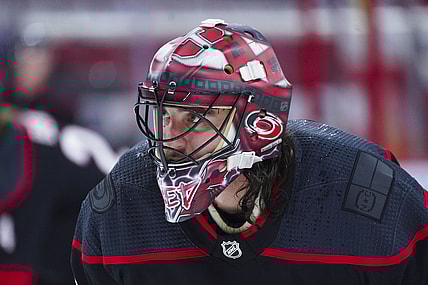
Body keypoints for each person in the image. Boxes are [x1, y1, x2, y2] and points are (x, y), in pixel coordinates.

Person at [71, 19, 428, 284]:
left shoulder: (370, 196)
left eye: (197, 116)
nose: (171, 137)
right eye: (164, 112)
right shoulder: (121, 205)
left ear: (260, 123)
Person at [0, 34, 121, 285]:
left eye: (42, 59)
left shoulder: (62, 109)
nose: (36, 66)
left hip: (56, 229)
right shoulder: (13, 114)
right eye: (28, 58)